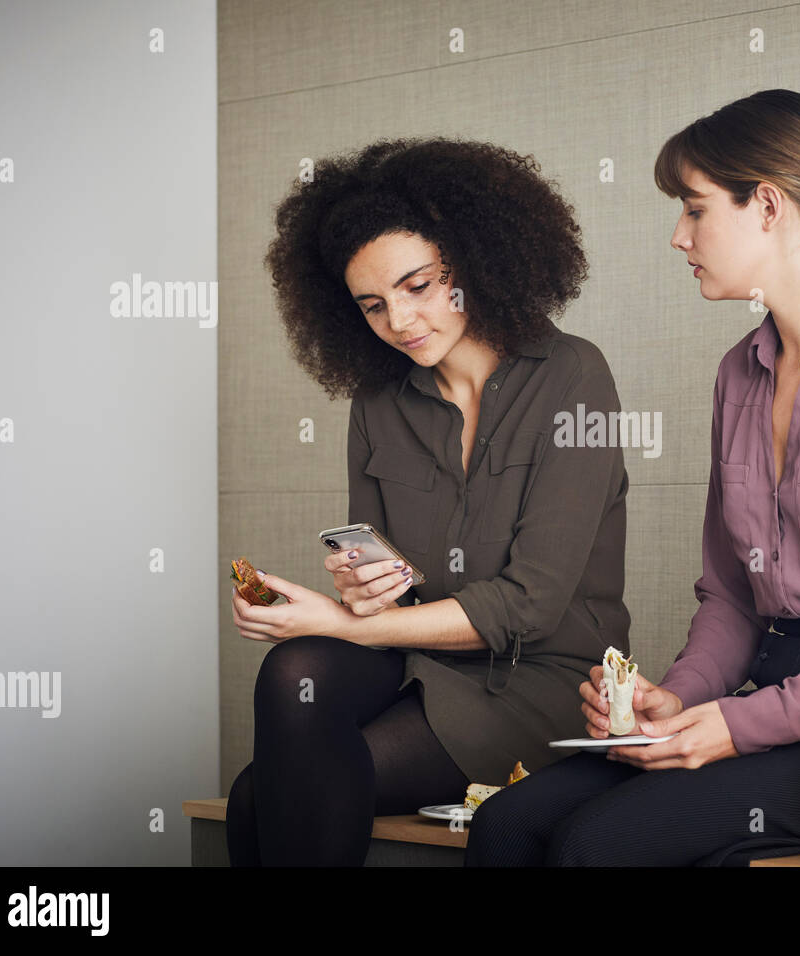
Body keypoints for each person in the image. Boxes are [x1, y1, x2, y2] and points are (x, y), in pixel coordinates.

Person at [465, 89, 800, 867]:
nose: (678, 236)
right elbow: (730, 593)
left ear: (766, 205)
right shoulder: (739, 374)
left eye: (693, 209)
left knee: (602, 842)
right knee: (509, 824)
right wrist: (676, 698)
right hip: (777, 705)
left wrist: (732, 727)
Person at [225, 137, 630, 866]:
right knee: (295, 671)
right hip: (417, 660)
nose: (401, 322)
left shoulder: (575, 375)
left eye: (419, 286)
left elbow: (531, 606)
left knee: (263, 792)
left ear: (475, 261)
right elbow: (387, 589)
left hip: (541, 684)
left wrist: (341, 627)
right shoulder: (378, 400)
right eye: (373, 305)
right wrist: (361, 593)